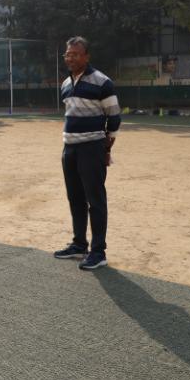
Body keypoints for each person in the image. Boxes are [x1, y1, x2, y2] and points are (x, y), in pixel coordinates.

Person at [53, 36, 121, 270]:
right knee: (75, 198)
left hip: (92, 148)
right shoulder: (65, 84)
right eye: (67, 54)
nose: (70, 58)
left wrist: (106, 148)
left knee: (95, 200)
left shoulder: (102, 82)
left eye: (75, 54)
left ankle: (98, 251)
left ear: (86, 56)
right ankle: (79, 244)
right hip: (69, 148)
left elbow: (114, 117)